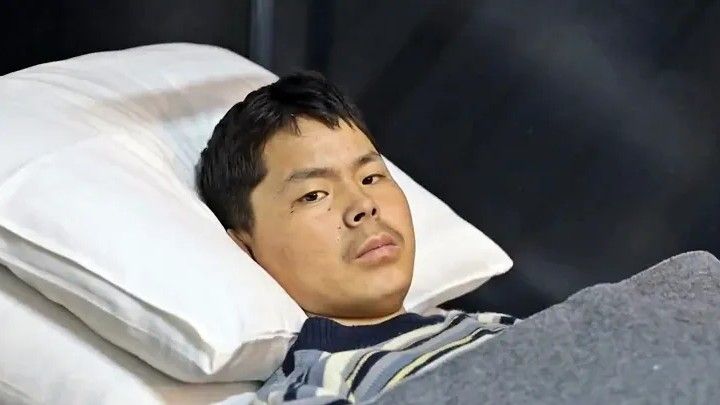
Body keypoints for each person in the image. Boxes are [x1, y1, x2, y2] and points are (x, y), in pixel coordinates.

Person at [196, 71, 517, 404]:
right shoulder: (314, 387)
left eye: (371, 177)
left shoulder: (491, 325)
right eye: (314, 195)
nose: (363, 205)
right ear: (246, 249)